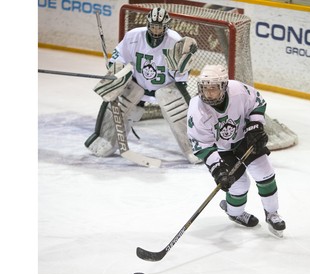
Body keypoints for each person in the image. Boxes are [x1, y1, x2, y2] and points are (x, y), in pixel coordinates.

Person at [85, 7, 200, 164]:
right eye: (153, 26)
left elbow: (180, 76)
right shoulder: (133, 36)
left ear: (166, 26)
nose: (156, 30)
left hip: (165, 88)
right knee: (117, 108)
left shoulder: (174, 40)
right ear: (148, 24)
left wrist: (182, 68)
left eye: (159, 27)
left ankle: (194, 148)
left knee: (179, 113)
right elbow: (119, 57)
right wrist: (115, 68)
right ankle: (105, 140)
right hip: (137, 85)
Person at [187, 64, 286, 237]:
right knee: (239, 185)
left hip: (244, 139)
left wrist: (255, 126)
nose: (208, 93)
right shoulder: (197, 109)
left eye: (213, 89)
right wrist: (217, 169)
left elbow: (257, 102)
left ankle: (272, 213)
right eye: (205, 88)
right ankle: (235, 213)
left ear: (224, 87)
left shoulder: (238, 90)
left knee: (265, 173)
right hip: (220, 150)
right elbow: (201, 144)